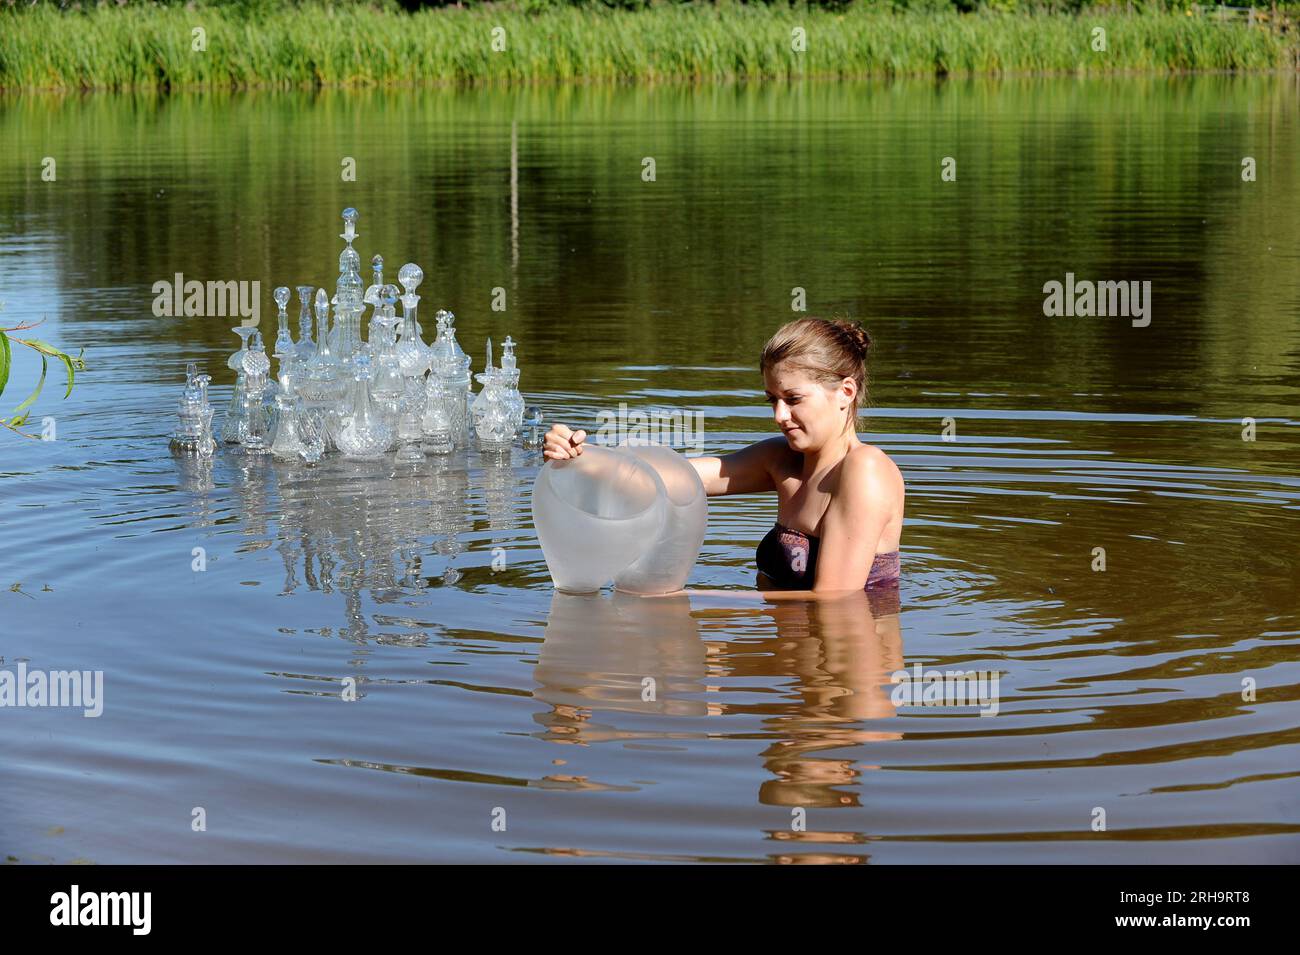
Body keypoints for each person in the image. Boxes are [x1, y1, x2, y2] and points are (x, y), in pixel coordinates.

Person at [543, 317, 905, 598]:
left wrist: (687, 600)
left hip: (840, 674)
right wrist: (580, 454)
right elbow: (674, 477)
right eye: (772, 400)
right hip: (787, 650)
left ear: (845, 392)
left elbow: (833, 602)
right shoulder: (781, 460)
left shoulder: (864, 470)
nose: (779, 416)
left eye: (793, 400)